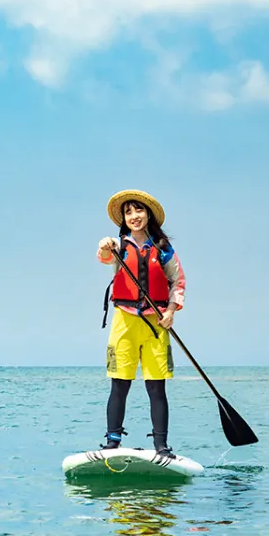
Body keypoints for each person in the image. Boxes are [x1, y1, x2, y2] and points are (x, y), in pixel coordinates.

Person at [96, 189, 186, 458]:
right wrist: (103, 245)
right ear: (124, 218)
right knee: (119, 383)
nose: (134, 216)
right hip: (124, 321)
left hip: (156, 324)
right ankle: (113, 441)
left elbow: (178, 283)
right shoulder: (118, 245)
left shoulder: (164, 248)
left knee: (156, 386)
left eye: (139, 210)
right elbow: (103, 256)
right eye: (128, 212)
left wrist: (171, 311)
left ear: (148, 214)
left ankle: (161, 445)